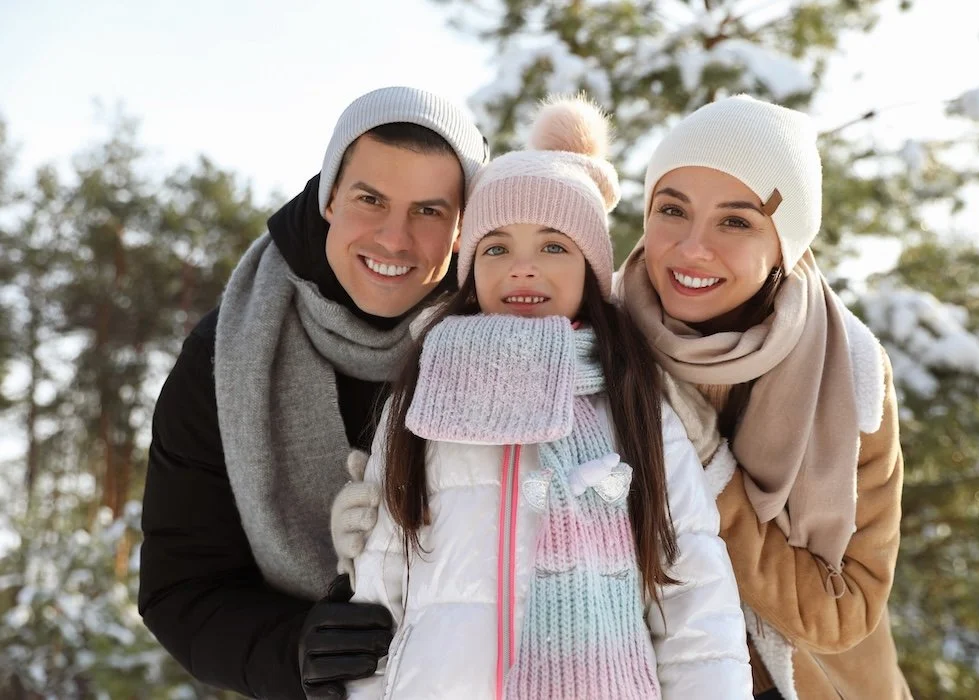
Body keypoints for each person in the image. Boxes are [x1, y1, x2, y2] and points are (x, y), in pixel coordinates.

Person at [335, 96, 752, 700]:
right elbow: (381, 579)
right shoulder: (423, 394)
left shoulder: (633, 399)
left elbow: (693, 594)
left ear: (591, 267)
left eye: (554, 246)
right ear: (471, 267)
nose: (522, 269)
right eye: (497, 247)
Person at [138, 86, 488, 699]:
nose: (393, 239)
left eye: (429, 211)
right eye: (370, 199)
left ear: (463, 229)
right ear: (329, 197)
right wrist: (290, 647)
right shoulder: (226, 356)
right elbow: (180, 588)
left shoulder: (511, 337)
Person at [617, 95, 912, 699]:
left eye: (736, 221)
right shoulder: (596, 341)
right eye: (672, 209)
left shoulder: (849, 372)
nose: (692, 248)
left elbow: (844, 612)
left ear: (786, 242)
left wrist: (704, 468)